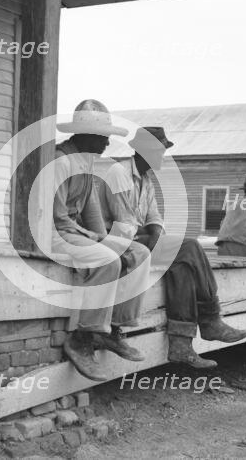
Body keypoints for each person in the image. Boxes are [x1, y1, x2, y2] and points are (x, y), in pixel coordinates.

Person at [98, 126, 246, 369]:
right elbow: (124, 222)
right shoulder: (119, 173)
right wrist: (154, 236)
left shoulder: (145, 180)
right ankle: (210, 320)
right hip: (117, 241)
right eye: (160, 151)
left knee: (183, 265)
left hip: (138, 238)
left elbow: (154, 216)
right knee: (189, 247)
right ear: (145, 151)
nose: (162, 156)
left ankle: (182, 345)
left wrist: (156, 233)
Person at [54, 99, 152, 382]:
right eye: (104, 138)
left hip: (75, 233)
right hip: (54, 234)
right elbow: (58, 217)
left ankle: (113, 329)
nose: (108, 144)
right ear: (87, 136)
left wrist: (112, 241)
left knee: (140, 254)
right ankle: (83, 338)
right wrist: (101, 244)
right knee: (106, 259)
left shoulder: (85, 162)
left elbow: (91, 210)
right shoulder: (61, 161)